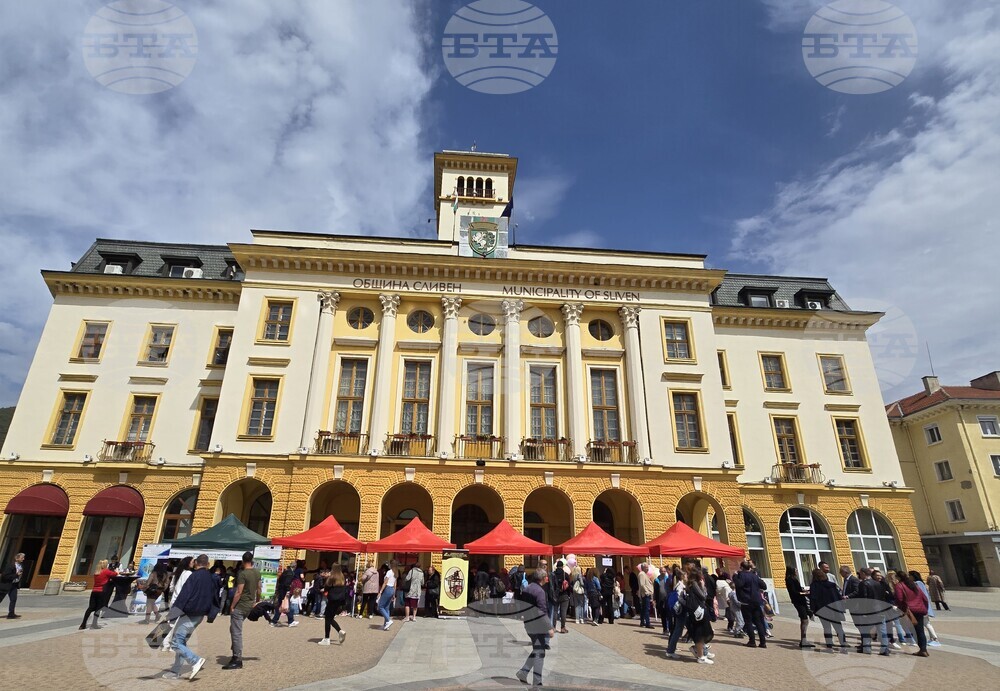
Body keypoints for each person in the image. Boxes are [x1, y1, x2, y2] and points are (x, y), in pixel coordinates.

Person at [162, 554, 218, 681]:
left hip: (189, 613)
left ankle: (195, 660)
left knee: (175, 642)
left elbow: (184, 596)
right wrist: (211, 615)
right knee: (181, 641)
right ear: (208, 564)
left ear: (197, 563)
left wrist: (171, 615)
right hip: (200, 614)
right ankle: (175, 671)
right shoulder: (211, 577)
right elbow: (215, 597)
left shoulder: (194, 576)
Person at [515, 568, 554, 687]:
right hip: (538, 626)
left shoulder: (528, 588)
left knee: (538, 650)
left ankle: (523, 672)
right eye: (546, 576)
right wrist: (549, 627)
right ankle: (537, 683)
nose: (547, 578)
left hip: (529, 624)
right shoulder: (540, 592)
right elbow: (542, 611)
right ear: (542, 578)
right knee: (540, 653)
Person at [222, 551, 260, 670]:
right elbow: (259, 588)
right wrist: (256, 600)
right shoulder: (257, 572)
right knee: (234, 629)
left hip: (241, 605)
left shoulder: (243, 573)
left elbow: (238, 592)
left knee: (236, 632)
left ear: (243, 561)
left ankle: (237, 658)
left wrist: (232, 606)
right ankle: (235, 653)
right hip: (249, 604)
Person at [809, 568, 847, 651]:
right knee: (838, 627)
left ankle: (829, 645)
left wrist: (812, 610)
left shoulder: (814, 586)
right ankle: (843, 644)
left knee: (826, 628)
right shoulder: (831, 585)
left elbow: (813, 598)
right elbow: (838, 597)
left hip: (823, 610)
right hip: (834, 609)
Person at [732, 560, 768, 648]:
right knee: (758, 621)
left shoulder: (741, 575)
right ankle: (762, 642)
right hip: (756, 601)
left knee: (748, 622)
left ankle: (752, 641)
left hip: (746, 602)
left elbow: (739, 584)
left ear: (742, 568)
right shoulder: (754, 575)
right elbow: (764, 586)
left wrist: (735, 576)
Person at [894, 570, 930, 657]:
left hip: (910, 611)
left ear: (898, 577)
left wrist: (901, 609)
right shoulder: (914, 585)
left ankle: (922, 649)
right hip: (920, 609)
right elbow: (924, 598)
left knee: (914, 630)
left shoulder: (899, 586)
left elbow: (899, 599)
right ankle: (923, 649)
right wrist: (925, 609)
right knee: (920, 630)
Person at [685, 567, 715, 664]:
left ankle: (700, 651)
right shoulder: (694, 584)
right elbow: (703, 596)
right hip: (698, 612)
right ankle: (701, 656)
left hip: (696, 611)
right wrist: (703, 586)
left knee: (703, 632)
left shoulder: (691, 584)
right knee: (700, 632)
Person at [79, 559, 117, 630]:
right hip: (102, 591)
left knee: (90, 608)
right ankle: (94, 623)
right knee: (98, 608)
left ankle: (83, 624)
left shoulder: (96, 572)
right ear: (105, 565)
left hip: (94, 591)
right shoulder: (106, 571)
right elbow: (115, 574)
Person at [785, 566, 814, 649]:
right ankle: (803, 640)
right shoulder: (790, 580)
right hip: (798, 601)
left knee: (805, 619)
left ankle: (804, 640)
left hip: (801, 600)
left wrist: (804, 591)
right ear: (792, 571)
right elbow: (794, 592)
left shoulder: (794, 579)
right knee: (804, 619)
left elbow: (798, 589)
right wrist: (804, 593)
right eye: (796, 570)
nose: (797, 572)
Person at [318, 565, 349, 645]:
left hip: (332, 599)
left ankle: (327, 638)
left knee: (327, 618)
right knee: (330, 618)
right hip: (339, 600)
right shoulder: (342, 577)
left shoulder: (332, 577)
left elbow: (326, 587)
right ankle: (340, 631)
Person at [0, 553, 25, 619]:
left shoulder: (21, 566)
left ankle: (11, 614)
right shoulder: (10, 566)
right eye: (22, 558)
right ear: (17, 558)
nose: (23, 559)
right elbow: (5, 576)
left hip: (14, 585)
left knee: (13, 599)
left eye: (23, 558)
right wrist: (16, 575)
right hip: (6, 585)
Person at [377, 560, 397, 630]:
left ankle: (388, 620)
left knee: (380, 606)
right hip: (392, 589)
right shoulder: (395, 573)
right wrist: (394, 594)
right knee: (386, 607)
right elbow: (395, 584)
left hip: (387, 588)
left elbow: (385, 582)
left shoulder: (389, 572)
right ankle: (386, 624)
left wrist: (380, 591)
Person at [635, 563, 654, 629]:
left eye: (648, 567)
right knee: (646, 609)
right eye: (646, 567)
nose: (647, 568)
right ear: (643, 568)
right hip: (645, 594)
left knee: (644, 609)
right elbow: (642, 584)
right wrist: (646, 592)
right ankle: (647, 623)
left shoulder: (644, 574)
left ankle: (642, 621)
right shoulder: (642, 574)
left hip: (646, 594)